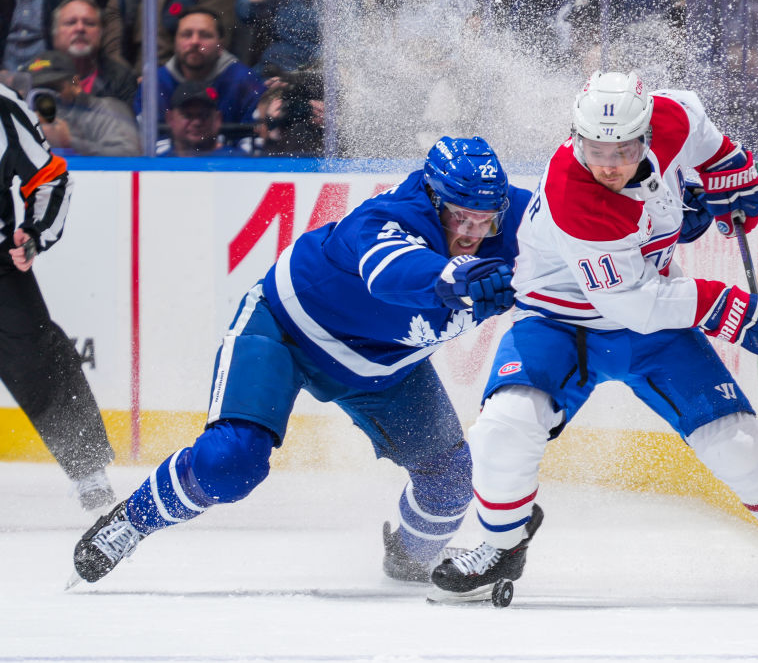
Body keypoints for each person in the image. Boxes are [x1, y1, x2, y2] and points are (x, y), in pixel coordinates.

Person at [430, 71, 758, 597]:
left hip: (652, 318)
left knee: (737, 440)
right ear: (575, 136)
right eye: (594, 149)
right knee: (505, 427)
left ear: (648, 134)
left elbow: (705, 138)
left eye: (624, 149)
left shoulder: (672, 116)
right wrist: (730, 308)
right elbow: (633, 303)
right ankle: (502, 542)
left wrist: (728, 173)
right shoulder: (575, 196)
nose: (609, 165)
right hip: (559, 321)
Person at [72, 136, 532, 584]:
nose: (472, 234)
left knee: (450, 483)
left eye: (485, 221)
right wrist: (455, 277)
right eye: (460, 218)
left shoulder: (516, 218)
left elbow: (580, 236)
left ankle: (409, 561)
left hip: (385, 365)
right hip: (286, 328)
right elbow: (389, 272)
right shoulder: (390, 215)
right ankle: (130, 522)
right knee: (231, 461)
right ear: (433, 198)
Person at [0, 80, 116, 510]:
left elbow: (49, 178)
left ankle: (88, 471)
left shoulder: (2, 107)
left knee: (39, 358)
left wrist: (33, 233)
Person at [136, 6, 265, 126]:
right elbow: (144, 139)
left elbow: (253, 139)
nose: (195, 42)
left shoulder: (244, 81)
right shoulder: (155, 83)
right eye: (186, 34)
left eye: (205, 35)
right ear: (175, 42)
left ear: (221, 45)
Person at [20, 50, 141, 156]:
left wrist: (70, 142)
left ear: (76, 84)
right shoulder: (24, 115)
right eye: (36, 89)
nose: (45, 96)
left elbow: (131, 155)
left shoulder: (106, 110)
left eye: (54, 87)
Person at [101, 0, 236, 73]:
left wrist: (160, 81)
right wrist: (131, 84)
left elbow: (210, 50)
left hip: (189, 88)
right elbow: (114, 52)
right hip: (133, 87)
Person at [50, 0, 138, 106]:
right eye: (71, 22)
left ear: (101, 33)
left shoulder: (122, 78)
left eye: (89, 23)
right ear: (55, 35)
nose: (80, 28)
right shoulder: (38, 75)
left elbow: (126, 122)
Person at [157, 80, 242, 156]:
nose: (196, 123)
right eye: (187, 115)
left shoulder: (239, 164)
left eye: (204, 115)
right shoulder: (156, 167)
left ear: (217, 119)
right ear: (170, 119)